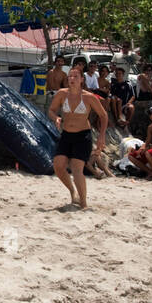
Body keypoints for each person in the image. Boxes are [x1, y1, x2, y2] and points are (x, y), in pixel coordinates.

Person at [48, 67, 107, 209]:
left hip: (83, 135)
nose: (71, 79)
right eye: (70, 76)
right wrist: (56, 117)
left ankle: (84, 204)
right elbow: (51, 110)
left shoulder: (88, 97)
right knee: (58, 165)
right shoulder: (62, 94)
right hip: (67, 135)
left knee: (76, 168)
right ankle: (72, 191)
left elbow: (103, 116)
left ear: (82, 79)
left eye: (75, 76)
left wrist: (101, 137)